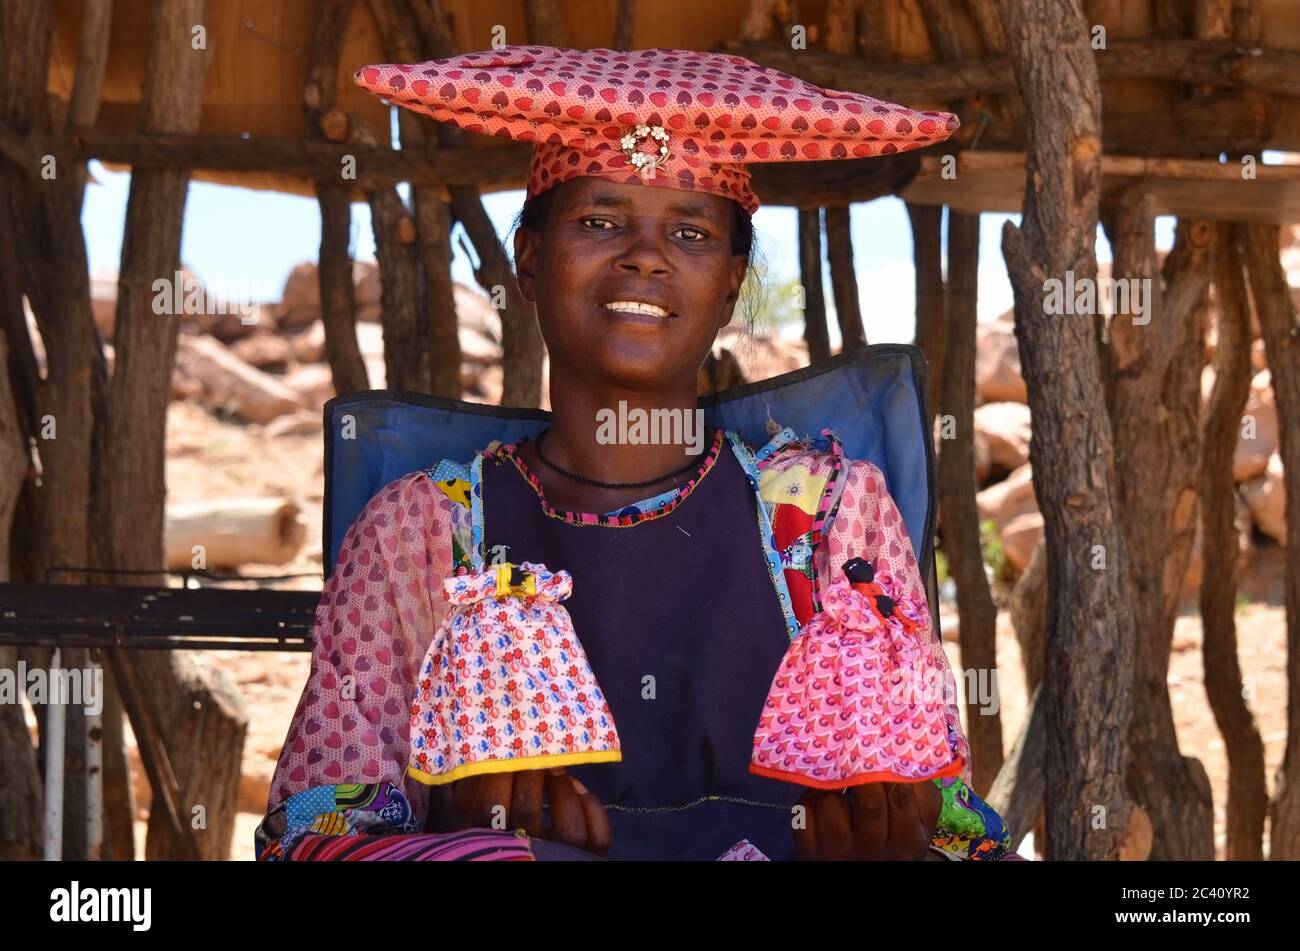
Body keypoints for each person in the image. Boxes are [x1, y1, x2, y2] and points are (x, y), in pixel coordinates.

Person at [256, 45, 1016, 861]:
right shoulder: (424, 531)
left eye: (689, 232)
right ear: (530, 260)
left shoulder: (828, 514)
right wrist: (461, 827)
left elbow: (950, 822)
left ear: (729, 285)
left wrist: (888, 836)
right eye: (599, 221)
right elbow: (312, 828)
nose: (644, 256)